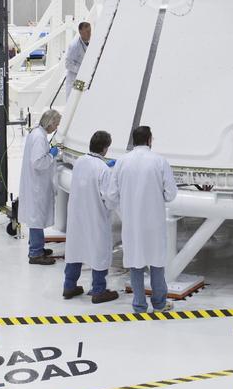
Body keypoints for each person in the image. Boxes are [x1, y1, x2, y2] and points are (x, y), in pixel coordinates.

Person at [112, 125, 178, 313]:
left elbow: (111, 193)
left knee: (135, 262)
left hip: (131, 222)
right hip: (154, 222)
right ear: (149, 140)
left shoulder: (122, 162)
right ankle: (159, 303)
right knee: (156, 263)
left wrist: (126, 204)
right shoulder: (159, 161)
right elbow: (171, 193)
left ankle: (139, 304)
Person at [62, 130, 119, 304]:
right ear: (105, 148)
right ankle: (99, 290)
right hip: (95, 217)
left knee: (76, 250)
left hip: (77, 216)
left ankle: (69, 286)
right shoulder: (103, 169)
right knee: (98, 251)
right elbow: (109, 198)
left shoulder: (80, 161)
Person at [19, 109, 61, 265]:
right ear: (50, 123)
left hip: (35, 183)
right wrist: (51, 154)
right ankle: (35, 254)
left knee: (35, 217)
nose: (56, 128)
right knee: (36, 219)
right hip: (37, 184)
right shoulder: (39, 137)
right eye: (56, 124)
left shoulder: (37, 133)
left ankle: (37, 248)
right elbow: (38, 162)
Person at [63, 22, 91, 97]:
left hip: (81, 79)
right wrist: (82, 69)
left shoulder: (88, 43)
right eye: (87, 31)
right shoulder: (74, 46)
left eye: (90, 31)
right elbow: (67, 64)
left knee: (81, 99)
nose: (89, 34)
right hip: (74, 80)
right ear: (81, 32)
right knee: (75, 99)